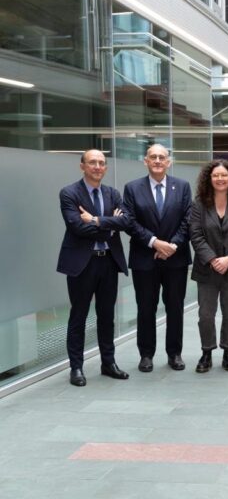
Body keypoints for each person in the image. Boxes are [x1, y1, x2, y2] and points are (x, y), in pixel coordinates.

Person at [57, 149, 131, 386]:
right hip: (82, 263)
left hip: (108, 261)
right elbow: (76, 227)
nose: (97, 167)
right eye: (92, 163)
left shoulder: (113, 193)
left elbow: (126, 221)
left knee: (107, 316)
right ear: (82, 166)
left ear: (106, 168)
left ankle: (108, 363)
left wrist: (96, 220)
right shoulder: (69, 193)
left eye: (101, 163)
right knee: (78, 315)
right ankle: (76, 367)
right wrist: (110, 225)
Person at [123, 144, 192, 372]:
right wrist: (154, 242)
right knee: (145, 308)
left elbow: (187, 219)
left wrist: (172, 245)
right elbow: (130, 222)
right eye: (153, 157)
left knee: (175, 308)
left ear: (169, 162)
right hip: (145, 258)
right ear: (146, 161)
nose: (158, 161)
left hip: (176, 259)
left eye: (162, 157)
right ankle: (146, 355)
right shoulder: (132, 188)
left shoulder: (182, 187)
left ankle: (174, 354)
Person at [189, 160, 228, 373]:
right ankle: (206, 352)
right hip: (207, 269)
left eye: (224, 175)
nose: (220, 179)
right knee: (206, 314)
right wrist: (213, 259)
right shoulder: (199, 204)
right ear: (209, 178)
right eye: (216, 175)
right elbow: (195, 235)